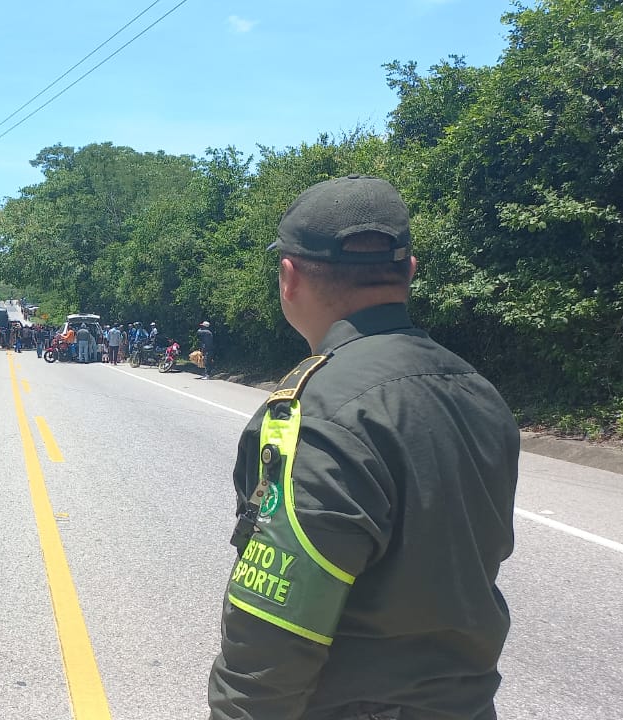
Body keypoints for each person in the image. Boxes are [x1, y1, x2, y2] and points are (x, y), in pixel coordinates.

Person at [208, 175, 520, 720]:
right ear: (410, 272)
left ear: (288, 276)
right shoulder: (479, 392)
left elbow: (274, 630)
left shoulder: (313, 411)